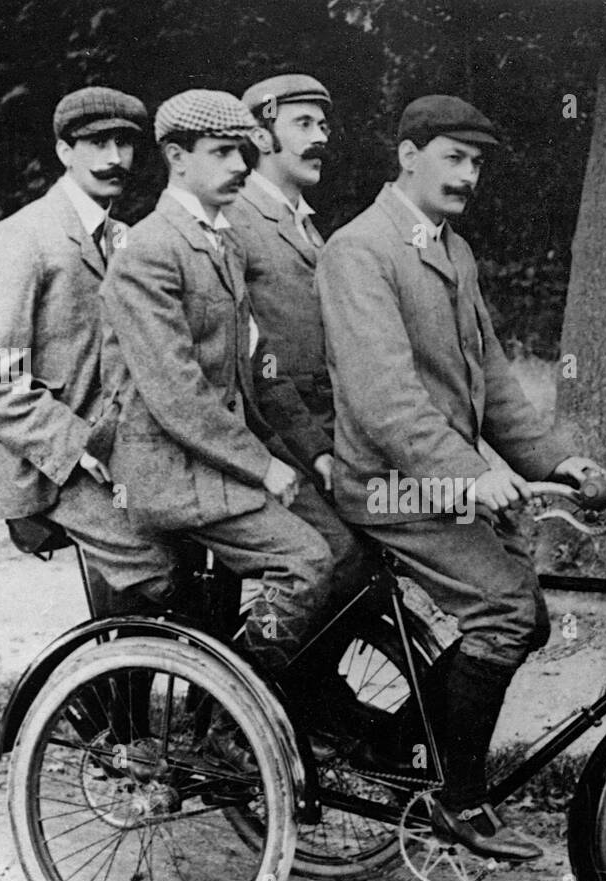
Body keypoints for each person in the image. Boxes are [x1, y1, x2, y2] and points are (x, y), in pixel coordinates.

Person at [317, 95, 601, 861]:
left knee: (527, 619)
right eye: (453, 157)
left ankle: (394, 742)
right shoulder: (359, 249)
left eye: (477, 163)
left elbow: (494, 380)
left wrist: (553, 462)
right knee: (507, 612)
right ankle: (457, 795)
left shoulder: (453, 250)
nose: (468, 174)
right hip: (388, 484)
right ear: (407, 155)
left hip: (440, 482)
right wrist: (470, 476)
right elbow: (384, 402)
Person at [100, 89, 331, 680]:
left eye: (244, 154)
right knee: (304, 562)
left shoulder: (221, 241)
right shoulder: (150, 249)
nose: (240, 167)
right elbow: (176, 395)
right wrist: (263, 466)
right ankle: (239, 716)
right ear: (177, 157)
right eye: (224, 153)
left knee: (340, 552)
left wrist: (315, 454)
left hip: (212, 463)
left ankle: (231, 710)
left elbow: (259, 365)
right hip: (170, 471)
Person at [0, 86, 178, 618]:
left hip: (117, 454)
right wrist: (81, 447)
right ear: (64, 151)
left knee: (203, 546)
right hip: (47, 464)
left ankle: (124, 684)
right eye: (96, 143)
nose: (113, 159)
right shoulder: (21, 239)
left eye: (124, 144)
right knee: (162, 570)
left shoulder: (126, 239)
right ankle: (108, 683)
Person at [227, 74, 372, 616]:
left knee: (368, 565)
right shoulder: (237, 220)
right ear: (262, 137)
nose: (322, 137)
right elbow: (245, 353)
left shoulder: (309, 226)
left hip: (325, 424)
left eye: (324, 124)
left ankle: (308, 694)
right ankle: (251, 686)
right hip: (273, 432)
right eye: (303, 124)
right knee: (338, 561)